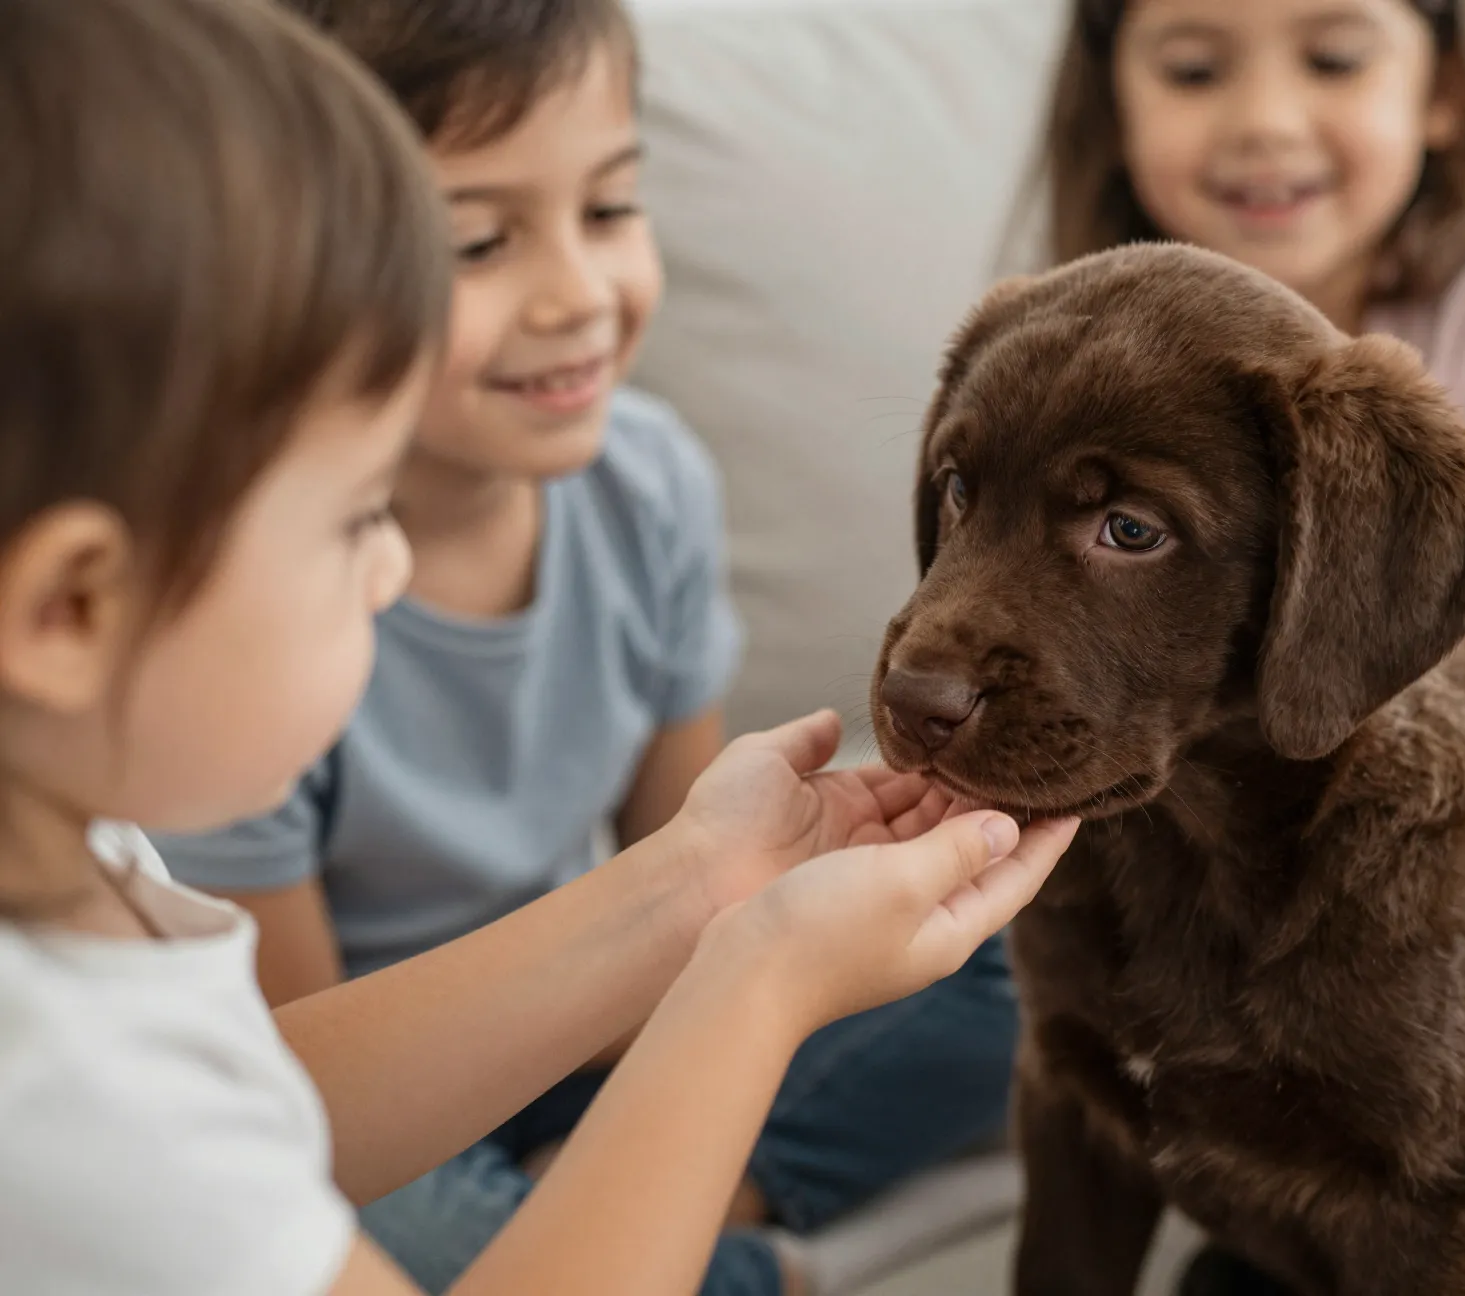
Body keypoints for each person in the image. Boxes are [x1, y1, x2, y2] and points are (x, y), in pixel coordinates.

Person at [0, 1, 1080, 1293]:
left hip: (545, 1058)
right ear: (67, 612)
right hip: (460, 1161)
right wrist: (754, 986)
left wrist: (694, 886)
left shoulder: (76, 862)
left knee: (1026, 965)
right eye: (354, 521)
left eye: (612, 208)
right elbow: (221, 1149)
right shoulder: (60, 1105)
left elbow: (279, 1105)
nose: (388, 563)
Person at [1038, 0, 1465, 1285]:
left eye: (1334, 55)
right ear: (1111, 102)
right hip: (1162, 811)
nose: (1265, 119)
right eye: (1194, 66)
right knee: (979, 957)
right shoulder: (1075, 327)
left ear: (1447, 93)